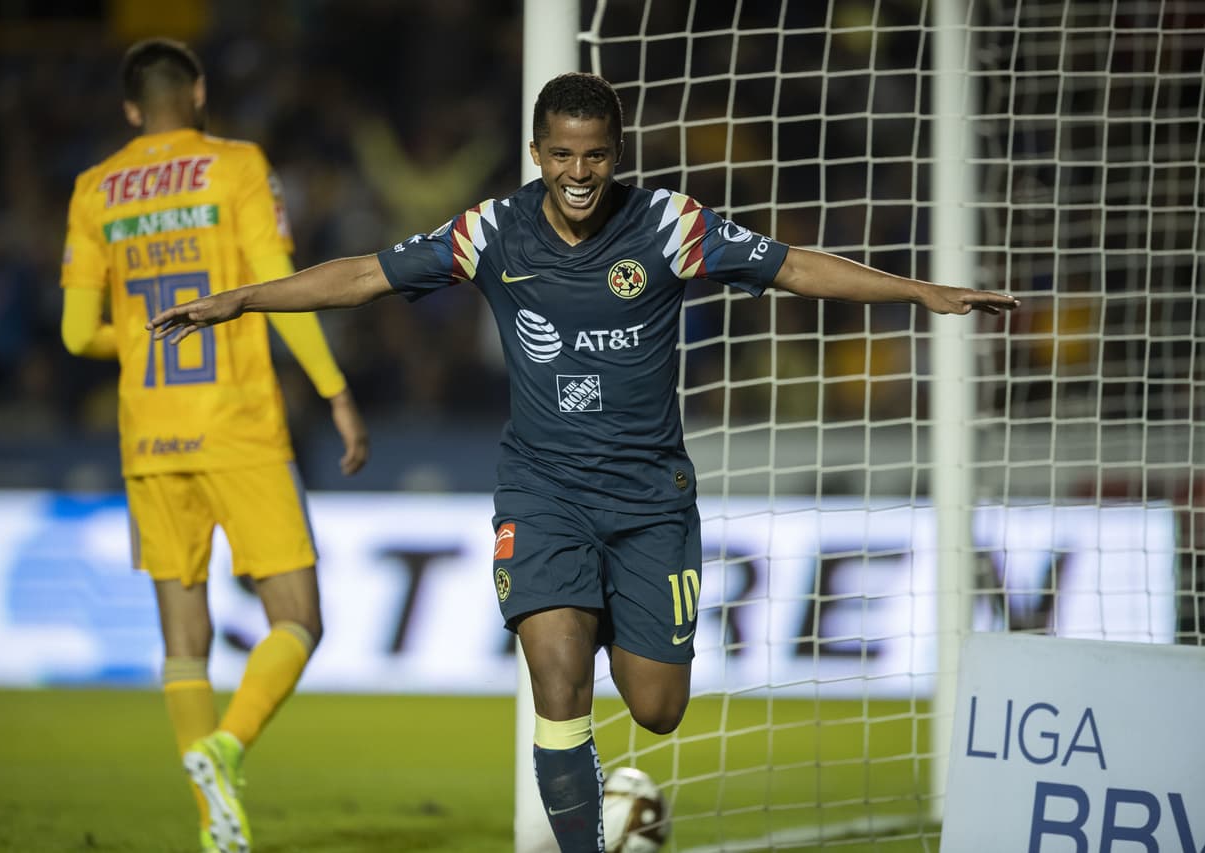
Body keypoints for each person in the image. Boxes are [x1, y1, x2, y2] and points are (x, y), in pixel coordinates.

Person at [149, 71, 1019, 852]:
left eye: (594, 154)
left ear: (616, 153)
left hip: (649, 501)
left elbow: (793, 268)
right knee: (557, 680)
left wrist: (919, 291)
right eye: (561, 154)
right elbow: (363, 276)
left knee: (658, 707)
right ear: (537, 153)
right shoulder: (492, 230)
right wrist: (243, 299)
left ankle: (619, 738)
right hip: (544, 492)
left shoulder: (669, 224)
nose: (577, 172)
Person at [59, 38, 369, 853]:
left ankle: (213, 829)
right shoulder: (236, 166)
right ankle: (227, 745)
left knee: (183, 638)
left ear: (131, 108)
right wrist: (336, 392)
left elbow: (74, 333)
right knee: (297, 618)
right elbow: (281, 290)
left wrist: (136, 337)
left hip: (149, 435)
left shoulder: (94, 188)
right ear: (197, 92)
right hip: (239, 425)